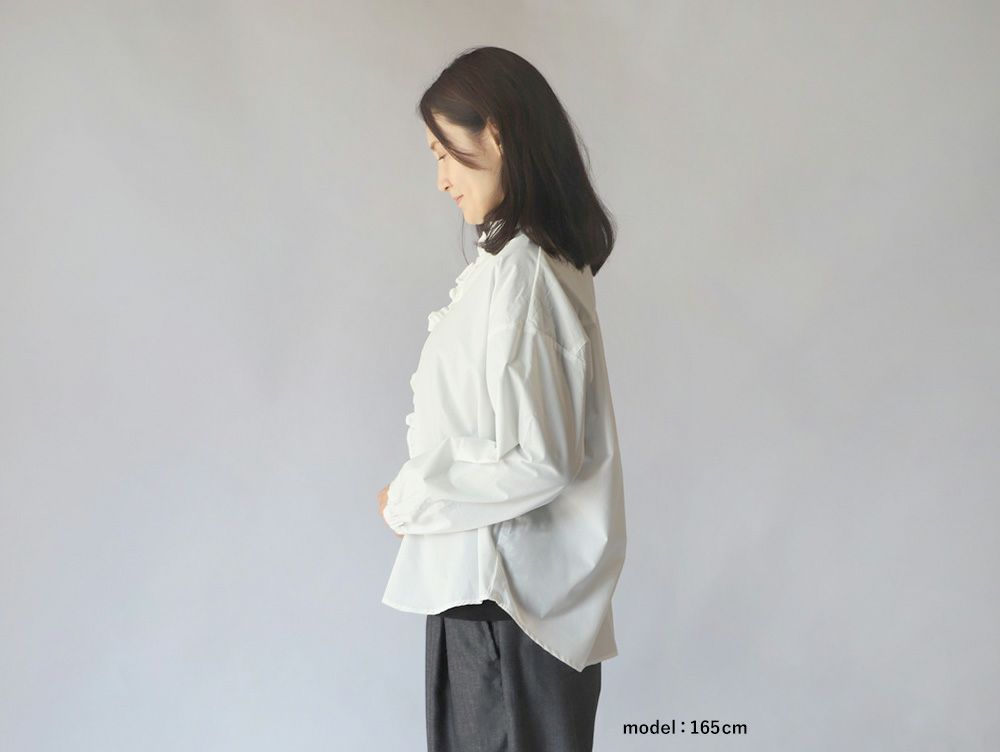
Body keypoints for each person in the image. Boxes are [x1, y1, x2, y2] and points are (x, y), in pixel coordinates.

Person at [376, 46, 627, 752]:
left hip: (506, 612)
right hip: (494, 606)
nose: (441, 179)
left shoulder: (524, 275)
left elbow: (540, 459)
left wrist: (411, 497)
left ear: (494, 134)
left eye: (444, 152)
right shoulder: (517, 270)